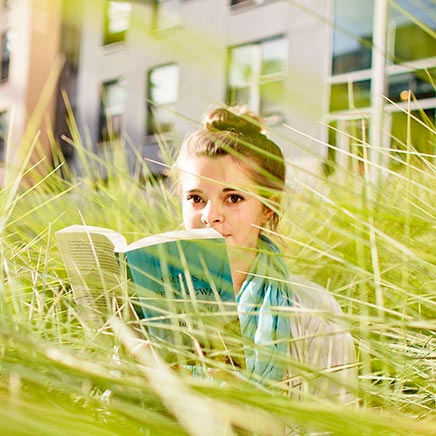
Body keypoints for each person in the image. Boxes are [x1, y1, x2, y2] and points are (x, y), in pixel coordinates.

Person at [174, 106, 357, 402]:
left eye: (233, 198)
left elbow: (338, 424)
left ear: (267, 207)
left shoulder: (312, 310)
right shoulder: (148, 298)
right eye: (196, 198)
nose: (210, 216)